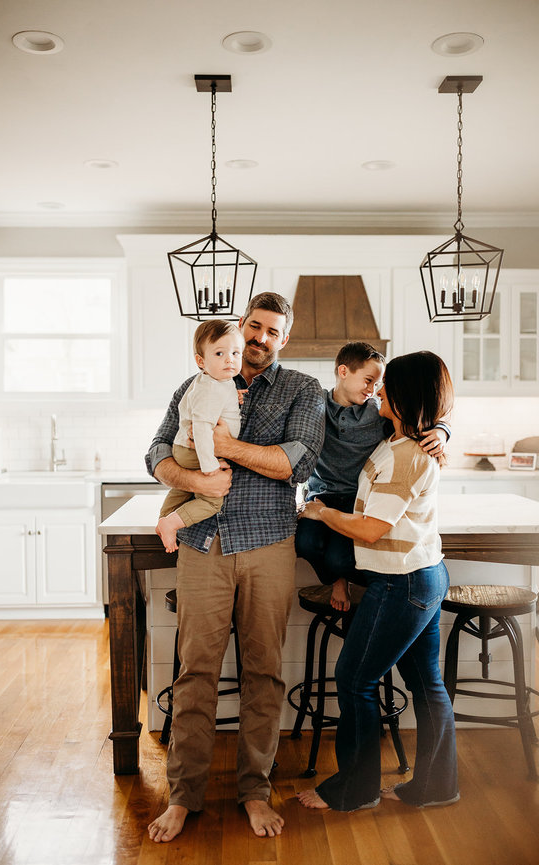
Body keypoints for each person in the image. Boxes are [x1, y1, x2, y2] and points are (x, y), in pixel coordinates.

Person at [144, 292, 325, 842]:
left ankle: (254, 790)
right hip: (203, 543)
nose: (260, 338)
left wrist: (226, 444)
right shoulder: (195, 382)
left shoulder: (302, 390)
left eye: (273, 331)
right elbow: (155, 451)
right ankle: (183, 796)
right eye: (255, 326)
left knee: (263, 673)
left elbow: (298, 463)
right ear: (241, 326)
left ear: (284, 339)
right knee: (195, 672)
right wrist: (196, 481)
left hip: (269, 544)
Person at [296, 350, 459, 812]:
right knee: (426, 685)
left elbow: (371, 528)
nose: (379, 389)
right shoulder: (400, 440)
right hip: (421, 575)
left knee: (354, 680)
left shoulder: (408, 454)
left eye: (387, 384)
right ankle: (436, 787)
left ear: (403, 396)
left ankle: (356, 789)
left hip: (403, 583)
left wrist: (322, 511)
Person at [295, 341, 450, 610]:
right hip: (322, 493)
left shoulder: (378, 412)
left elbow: (420, 410)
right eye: (368, 381)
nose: (374, 390)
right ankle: (341, 581)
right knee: (305, 544)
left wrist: (443, 429)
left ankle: (348, 581)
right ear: (343, 372)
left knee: (338, 559)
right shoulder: (316, 403)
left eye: (378, 384)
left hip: (358, 499)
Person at [156, 319, 245, 553]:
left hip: (185, 450)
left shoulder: (217, 382)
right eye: (219, 353)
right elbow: (203, 431)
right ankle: (171, 523)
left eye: (236, 352)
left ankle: (165, 518)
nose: (230, 359)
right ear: (201, 361)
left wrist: (234, 398)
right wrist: (210, 468)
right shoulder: (211, 389)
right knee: (211, 500)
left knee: (181, 490)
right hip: (197, 453)